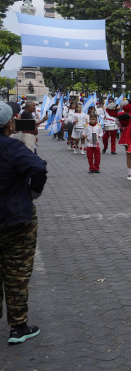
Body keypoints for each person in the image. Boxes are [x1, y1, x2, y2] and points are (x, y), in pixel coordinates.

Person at [0, 101, 47, 344]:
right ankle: (18, 326)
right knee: (17, 274)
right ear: (10, 123)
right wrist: (34, 191)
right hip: (17, 218)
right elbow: (38, 167)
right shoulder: (13, 148)